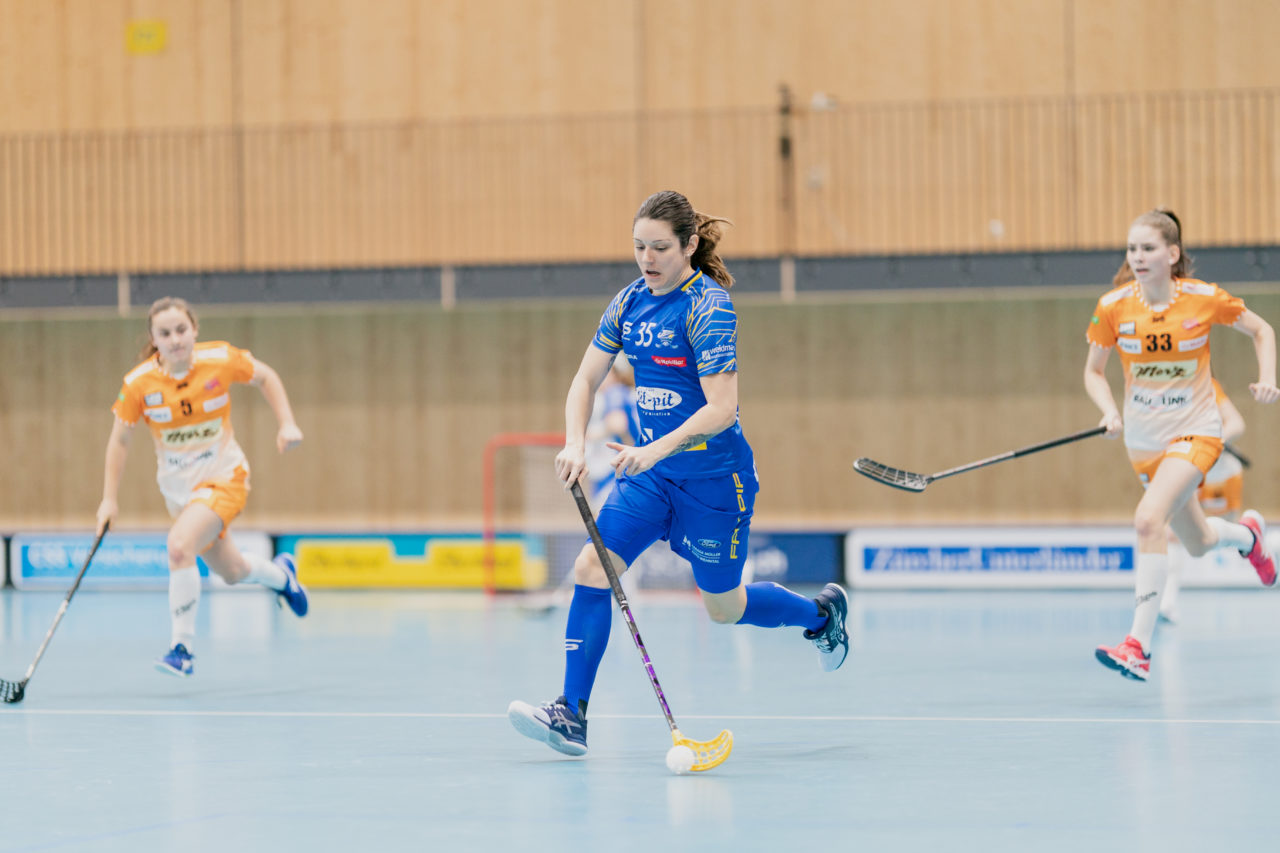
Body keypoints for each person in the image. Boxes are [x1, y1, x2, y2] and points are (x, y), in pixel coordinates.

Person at [508, 190, 849, 756]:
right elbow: (584, 381)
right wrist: (573, 442)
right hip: (651, 479)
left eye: (661, 247)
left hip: (716, 482)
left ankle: (819, 615)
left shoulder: (708, 306)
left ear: (689, 245)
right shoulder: (628, 303)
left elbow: (721, 410)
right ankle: (572, 714)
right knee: (593, 567)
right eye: (639, 246)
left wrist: (656, 448)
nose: (647, 258)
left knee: (724, 607)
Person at [1084, 209, 1278, 681]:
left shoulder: (1203, 298)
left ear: (1172, 254)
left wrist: (1268, 378)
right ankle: (1249, 536)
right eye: (1132, 249)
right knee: (1198, 543)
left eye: (1148, 249)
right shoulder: (1113, 307)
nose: (1138, 257)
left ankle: (1137, 646)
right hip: (1144, 442)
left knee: (1149, 520)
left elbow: (1261, 330)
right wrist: (1109, 411)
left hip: (1196, 430)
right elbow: (1093, 372)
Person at [96, 297, 310, 678]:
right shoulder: (139, 384)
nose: (175, 339)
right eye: (165, 333)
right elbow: (120, 442)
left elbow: (266, 377)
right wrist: (108, 500)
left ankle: (183, 650)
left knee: (179, 547)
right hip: (181, 495)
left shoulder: (220, 359)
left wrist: (286, 423)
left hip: (226, 478)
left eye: (181, 330)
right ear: (154, 339)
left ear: (194, 328)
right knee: (233, 570)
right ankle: (283, 577)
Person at [1159, 379, 1247, 623]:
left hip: (1218, 469)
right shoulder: (1159, 389)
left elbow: (1237, 423)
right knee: (1172, 535)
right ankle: (1166, 602)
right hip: (1187, 466)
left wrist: (1210, 443)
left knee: (1223, 527)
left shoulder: (1206, 385)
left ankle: (1251, 540)